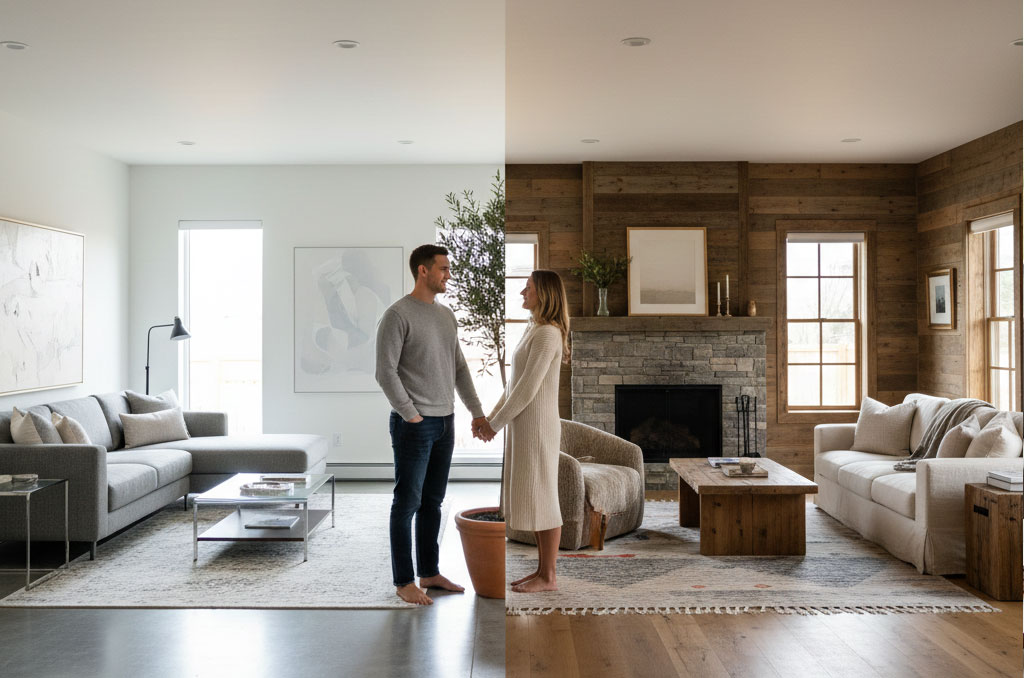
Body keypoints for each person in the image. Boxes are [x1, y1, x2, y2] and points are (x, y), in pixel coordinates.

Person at [375, 244, 490, 605]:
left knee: (433, 503)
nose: (448, 275)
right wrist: (410, 412)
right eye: (443, 269)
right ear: (423, 271)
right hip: (415, 424)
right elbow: (385, 371)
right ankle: (404, 580)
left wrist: (476, 411)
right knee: (406, 502)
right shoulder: (397, 315)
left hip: (446, 422)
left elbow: (459, 368)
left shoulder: (446, 316)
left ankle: (429, 572)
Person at [475, 270, 569, 593]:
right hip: (524, 427)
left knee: (546, 496)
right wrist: (490, 420)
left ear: (543, 293)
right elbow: (514, 386)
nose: (521, 292)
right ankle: (542, 572)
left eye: (527, 287)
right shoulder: (535, 329)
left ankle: (549, 577)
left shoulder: (548, 334)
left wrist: (494, 425)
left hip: (539, 428)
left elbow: (528, 390)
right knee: (538, 496)